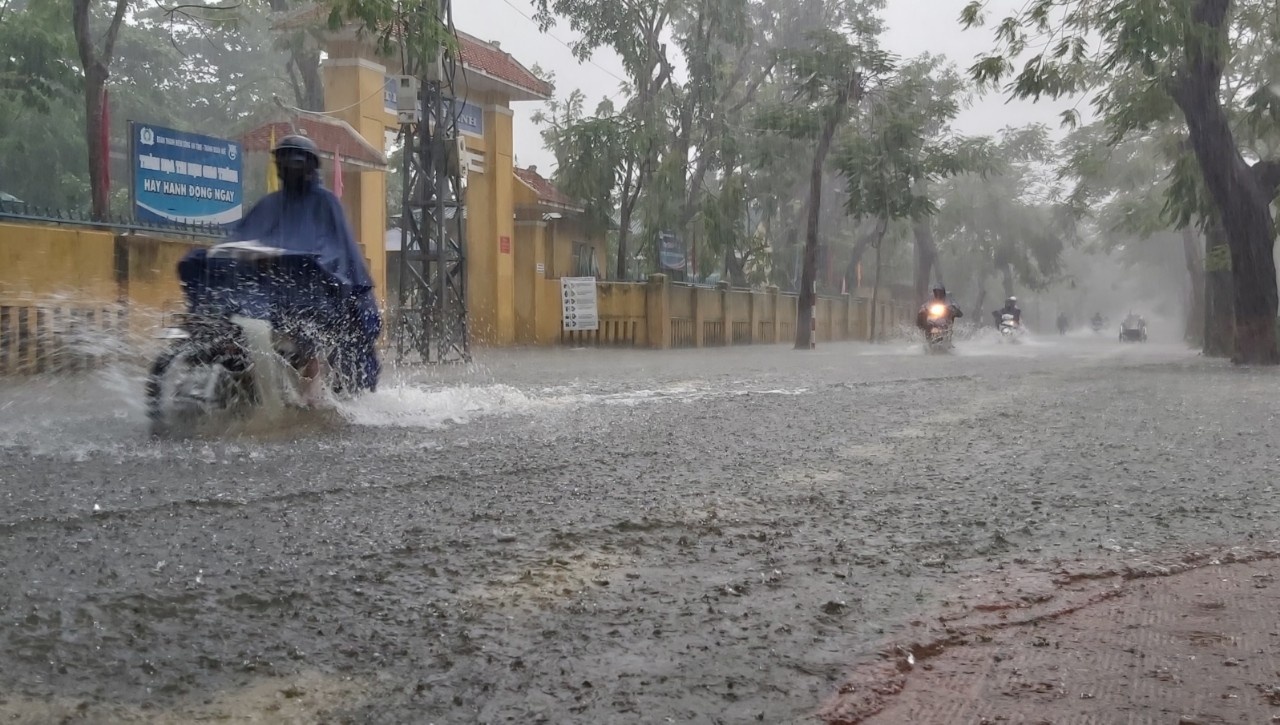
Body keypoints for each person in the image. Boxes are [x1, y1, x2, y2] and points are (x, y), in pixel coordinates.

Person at [182, 134, 381, 402]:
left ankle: (311, 392)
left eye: (298, 163)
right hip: (270, 295)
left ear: (311, 167)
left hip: (317, 294)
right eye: (285, 162)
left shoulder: (325, 204)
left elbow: (335, 252)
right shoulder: (270, 204)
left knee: (308, 335)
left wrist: (296, 259)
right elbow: (241, 239)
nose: (291, 168)